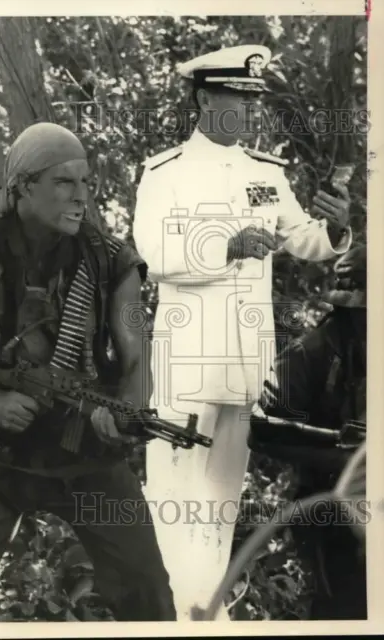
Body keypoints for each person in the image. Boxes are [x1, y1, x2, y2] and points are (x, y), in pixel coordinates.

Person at [0, 122, 176, 622]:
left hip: (86, 454)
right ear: (23, 187)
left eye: (86, 183)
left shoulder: (111, 261)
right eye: (64, 182)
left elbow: (138, 355)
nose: (82, 197)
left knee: (150, 597)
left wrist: (125, 415)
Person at [132, 44, 353, 619]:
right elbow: (154, 255)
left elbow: (303, 237)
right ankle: (179, 617)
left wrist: (335, 225)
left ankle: (207, 614)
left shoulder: (265, 174)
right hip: (188, 368)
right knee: (177, 503)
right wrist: (223, 246)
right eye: (240, 99)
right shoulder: (165, 172)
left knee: (222, 502)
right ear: (206, 99)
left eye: (256, 100)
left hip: (243, 368)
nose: (254, 110)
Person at [249, 244, 367, 620]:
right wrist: (343, 454)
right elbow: (260, 429)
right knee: (344, 608)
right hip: (328, 505)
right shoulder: (311, 352)